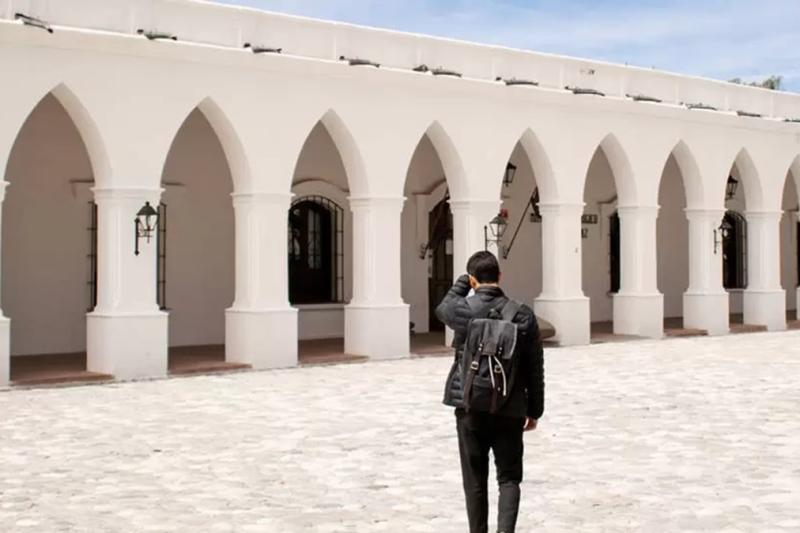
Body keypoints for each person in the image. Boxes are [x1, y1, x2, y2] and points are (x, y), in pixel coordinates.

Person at [436, 251, 545, 533]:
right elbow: (535, 367)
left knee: (474, 481)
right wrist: (534, 410)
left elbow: (443, 307)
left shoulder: (465, 311)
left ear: (473, 280)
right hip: (510, 407)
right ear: (500, 277)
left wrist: (464, 282)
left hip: (470, 404)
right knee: (509, 478)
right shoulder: (522, 314)